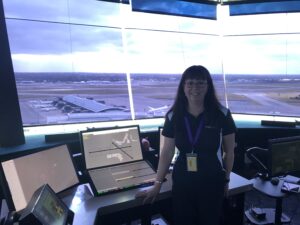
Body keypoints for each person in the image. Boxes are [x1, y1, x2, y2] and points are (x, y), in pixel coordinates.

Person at [136, 65, 236, 225]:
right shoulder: (173, 115)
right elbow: (167, 152)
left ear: (208, 86)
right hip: (183, 182)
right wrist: (157, 184)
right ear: (183, 86)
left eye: (200, 83)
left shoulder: (222, 114)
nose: (195, 87)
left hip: (212, 182)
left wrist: (226, 180)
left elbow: (229, 152)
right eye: (190, 83)